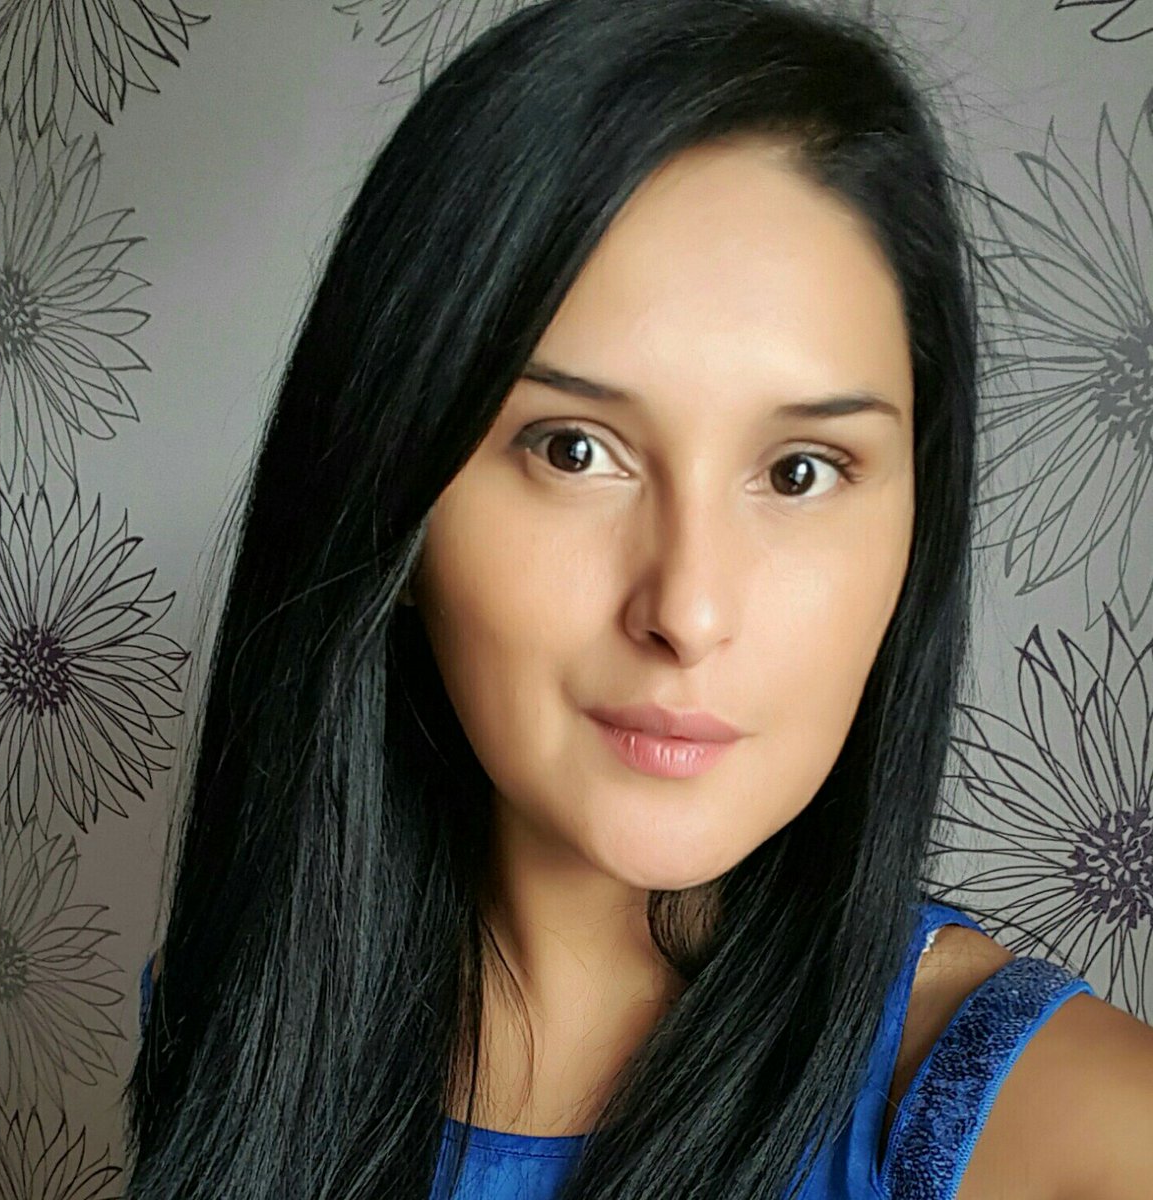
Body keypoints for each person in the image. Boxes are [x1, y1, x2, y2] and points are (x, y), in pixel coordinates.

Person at [124, 1, 1153, 1198]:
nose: (689, 609)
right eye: (573, 450)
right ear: (392, 500)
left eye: (801, 472)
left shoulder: (1082, 1137)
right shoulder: (234, 1015)